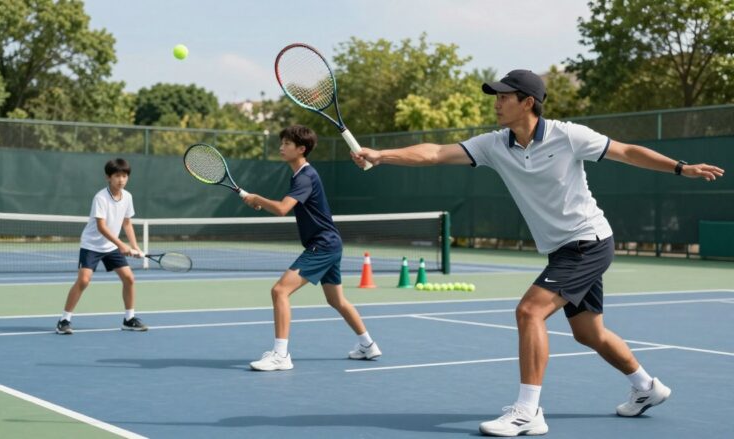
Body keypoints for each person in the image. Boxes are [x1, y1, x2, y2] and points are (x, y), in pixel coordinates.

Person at [352, 70, 724, 436]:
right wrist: (382, 154)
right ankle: (647, 388)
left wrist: (680, 168)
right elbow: (434, 152)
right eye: (495, 97)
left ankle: (528, 411)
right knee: (589, 332)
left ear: (528, 103)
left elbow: (626, 151)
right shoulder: (494, 145)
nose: (496, 104)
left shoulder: (568, 135)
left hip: (588, 241)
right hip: (562, 249)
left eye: (503, 97)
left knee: (529, 311)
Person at [242, 125, 381, 371]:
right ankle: (368, 345)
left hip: (323, 245)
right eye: (282, 142)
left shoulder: (305, 176)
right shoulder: (300, 175)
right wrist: (260, 201)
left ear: (301, 149)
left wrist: (258, 199)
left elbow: (283, 209)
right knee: (336, 300)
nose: (281, 147)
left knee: (279, 291)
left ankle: (281, 355)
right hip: (330, 243)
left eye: (286, 143)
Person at [56, 158, 148, 335]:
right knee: (83, 281)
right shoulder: (101, 197)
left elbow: (127, 223)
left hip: (111, 246)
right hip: (92, 244)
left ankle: (129, 319)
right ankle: (64, 320)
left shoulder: (128, 197)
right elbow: (101, 227)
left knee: (129, 278)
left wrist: (135, 247)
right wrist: (122, 245)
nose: (121, 180)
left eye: (124, 176)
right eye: (117, 176)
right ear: (108, 177)